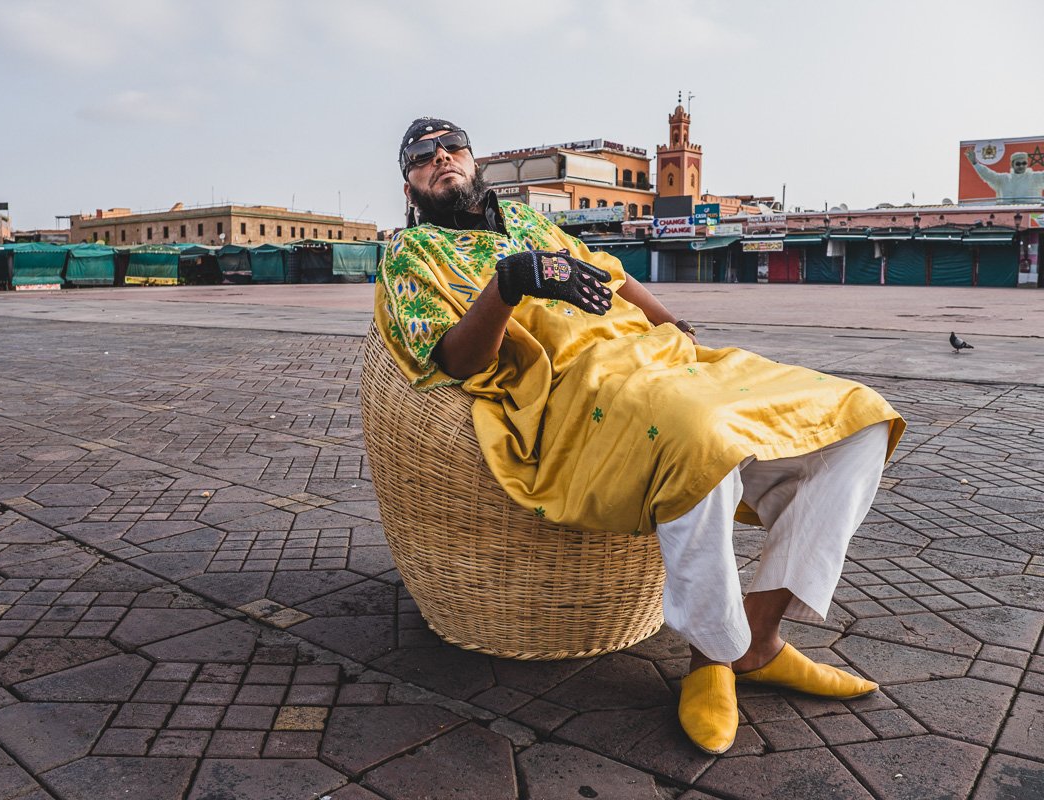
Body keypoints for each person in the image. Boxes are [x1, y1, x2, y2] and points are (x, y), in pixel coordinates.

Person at [375, 117, 905, 755]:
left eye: (451, 147)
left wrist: (674, 324)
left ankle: (757, 644)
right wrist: (509, 285)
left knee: (859, 420)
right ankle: (711, 656)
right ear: (408, 181)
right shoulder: (411, 256)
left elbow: (609, 272)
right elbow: (455, 359)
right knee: (698, 436)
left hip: (650, 358)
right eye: (422, 156)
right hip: (575, 387)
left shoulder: (526, 222)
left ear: (473, 158)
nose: (441, 159)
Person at [966, 147, 1044, 202]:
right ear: (1012, 165)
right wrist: (975, 163)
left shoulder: (1034, 177)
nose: (1021, 166)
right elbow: (988, 175)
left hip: (1030, 216)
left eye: (1024, 163)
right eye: (1018, 163)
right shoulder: (1004, 179)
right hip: (1007, 215)